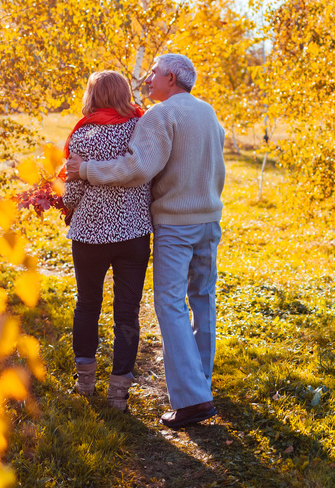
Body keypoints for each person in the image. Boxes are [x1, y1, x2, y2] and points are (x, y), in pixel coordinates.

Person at [66, 53, 225, 428]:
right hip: (209, 219)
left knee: (169, 304)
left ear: (171, 78)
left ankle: (190, 401)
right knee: (203, 300)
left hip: (176, 223)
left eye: (153, 74)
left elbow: (136, 169)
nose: (148, 80)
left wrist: (84, 169)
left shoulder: (161, 115)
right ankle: (201, 386)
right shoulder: (208, 112)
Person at [62, 70, 151, 412]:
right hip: (133, 233)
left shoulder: (84, 134)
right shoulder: (142, 129)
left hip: (90, 234)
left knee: (87, 304)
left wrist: (68, 207)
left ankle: (85, 382)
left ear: (94, 95)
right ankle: (118, 392)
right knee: (127, 312)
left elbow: (72, 189)